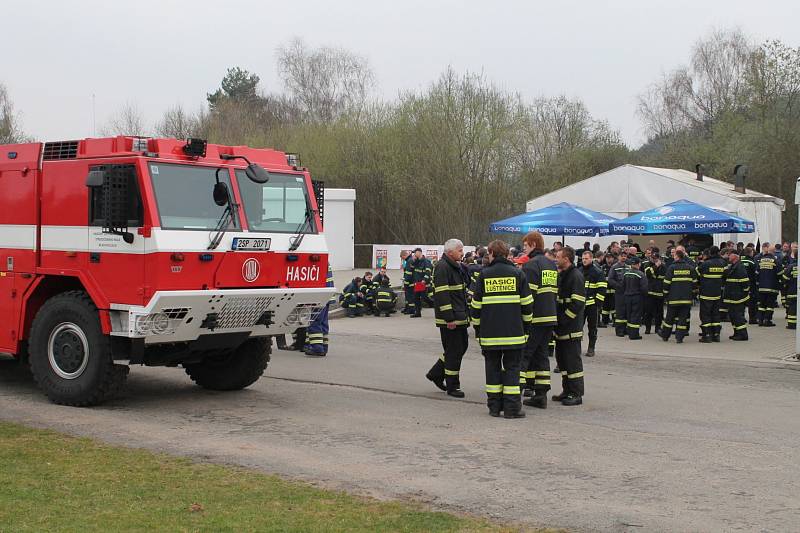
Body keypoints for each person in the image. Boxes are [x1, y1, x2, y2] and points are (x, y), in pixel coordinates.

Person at [471, 240, 533, 418]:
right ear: (507, 255)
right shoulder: (517, 274)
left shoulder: (484, 275)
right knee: (513, 370)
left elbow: (476, 307)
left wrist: (478, 331)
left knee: (492, 369)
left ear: (490, 253)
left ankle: (494, 407)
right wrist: (526, 328)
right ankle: (512, 409)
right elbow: (527, 306)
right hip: (514, 334)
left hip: (490, 336)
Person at [426, 239, 470, 398]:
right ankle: (453, 386)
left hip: (459, 316)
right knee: (454, 351)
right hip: (451, 319)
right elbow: (442, 295)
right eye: (459, 250)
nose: (462, 253)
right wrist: (449, 318)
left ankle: (436, 373)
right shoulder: (442, 267)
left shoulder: (455, 266)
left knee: (460, 348)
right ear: (449, 252)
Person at [519, 231, 558, 409]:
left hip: (535, 318)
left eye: (525, 245)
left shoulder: (531, 265)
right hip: (549, 317)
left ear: (534, 244)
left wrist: (522, 317)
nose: (523, 248)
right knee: (541, 355)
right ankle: (541, 394)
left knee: (524, 353)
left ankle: (514, 393)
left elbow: (529, 296)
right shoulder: (550, 265)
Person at [552, 246, 585, 406]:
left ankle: (577, 394)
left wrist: (563, 320)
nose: (555, 259)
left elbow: (577, 303)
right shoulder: (563, 275)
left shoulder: (575, 276)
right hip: (561, 328)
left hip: (571, 328)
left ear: (566, 258)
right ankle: (567, 390)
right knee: (563, 362)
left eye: (558, 256)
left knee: (573, 363)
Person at [660, 249, 697, 343]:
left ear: (677, 256)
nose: (673, 256)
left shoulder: (672, 268)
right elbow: (695, 284)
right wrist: (693, 295)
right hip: (686, 299)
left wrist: (665, 294)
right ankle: (679, 337)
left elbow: (666, 283)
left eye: (674, 255)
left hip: (673, 299)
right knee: (683, 319)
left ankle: (665, 335)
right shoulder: (690, 268)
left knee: (669, 318)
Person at [697, 246, 727, 343]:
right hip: (717, 293)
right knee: (715, 314)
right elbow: (725, 275)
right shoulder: (723, 263)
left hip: (706, 293)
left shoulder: (705, 264)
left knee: (705, 315)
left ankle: (707, 335)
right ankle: (716, 335)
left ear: (710, 253)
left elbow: (697, 273)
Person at [580, 250, 606, 356]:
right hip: (580, 305)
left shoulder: (597, 272)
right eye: (583, 259)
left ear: (591, 259)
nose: (584, 261)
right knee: (577, 328)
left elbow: (602, 288)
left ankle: (591, 348)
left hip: (592, 306)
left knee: (592, 328)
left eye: (586, 259)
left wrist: (597, 303)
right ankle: (576, 348)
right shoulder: (579, 270)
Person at [724, 251, 750, 340]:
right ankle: (736, 333)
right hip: (732, 297)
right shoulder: (732, 266)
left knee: (738, 316)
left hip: (738, 297)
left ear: (735, 257)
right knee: (733, 316)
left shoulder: (740, 267)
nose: (728, 256)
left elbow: (745, 283)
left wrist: (744, 294)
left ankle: (743, 335)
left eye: (730, 255)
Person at [622, 256, 648, 340]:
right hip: (637, 297)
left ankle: (630, 331)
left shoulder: (626, 273)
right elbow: (644, 288)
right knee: (636, 315)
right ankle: (634, 334)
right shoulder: (641, 274)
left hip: (627, 297)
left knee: (629, 314)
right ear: (638, 264)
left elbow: (623, 285)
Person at [755, 243, 780, 327]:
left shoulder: (761, 260)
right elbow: (779, 273)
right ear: (773, 252)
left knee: (762, 305)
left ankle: (760, 320)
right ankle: (767, 320)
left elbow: (757, 273)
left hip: (761, 287)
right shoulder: (775, 261)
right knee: (770, 305)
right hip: (772, 287)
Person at [643, 248, 665, 335]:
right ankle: (648, 328)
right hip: (650, 292)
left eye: (656, 258)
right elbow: (648, 273)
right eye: (653, 258)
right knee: (648, 312)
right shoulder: (647, 264)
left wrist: (655, 273)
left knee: (659, 312)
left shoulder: (663, 266)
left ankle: (657, 328)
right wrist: (656, 266)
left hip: (659, 292)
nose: (654, 260)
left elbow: (663, 275)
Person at [607, 250, 629, 337]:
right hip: (619, 292)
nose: (624, 257)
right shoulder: (614, 267)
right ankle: (619, 330)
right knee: (619, 311)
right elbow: (610, 279)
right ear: (619, 257)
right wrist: (617, 286)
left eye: (625, 256)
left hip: (627, 291)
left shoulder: (628, 267)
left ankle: (625, 329)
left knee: (626, 311)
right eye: (622, 256)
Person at [408, 248, 433, 318]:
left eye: (415, 253)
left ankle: (435, 304)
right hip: (417, 283)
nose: (414, 254)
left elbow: (428, 272)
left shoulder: (426, 261)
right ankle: (418, 313)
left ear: (419, 252)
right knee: (416, 298)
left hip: (422, 283)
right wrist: (413, 260)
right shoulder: (416, 261)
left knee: (424, 297)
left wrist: (424, 280)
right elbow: (412, 268)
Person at [741, 246, 759, 324]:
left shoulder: (740, 262)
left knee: (742, 302)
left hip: (741, 285)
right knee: (752, 303)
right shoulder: (752, 263)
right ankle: (752, 319)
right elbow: (755, 275)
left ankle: (741, 318)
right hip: (751, 285)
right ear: (750, 253)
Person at [781, 244, 798, 329]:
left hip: (792, 291)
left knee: (792, 308)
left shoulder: (791, 266)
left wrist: (785, 286)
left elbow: (784, 278)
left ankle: (792, 324)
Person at [601, 252, 617, 326]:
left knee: (614, 307)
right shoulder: (603, 267)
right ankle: (605, 321)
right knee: (605, 307)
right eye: (607, 258)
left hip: (614, 291)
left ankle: (615, 321)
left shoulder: (615, 267)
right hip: (605, 291)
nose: (608, 259)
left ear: (613, 258)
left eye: (610, 258)